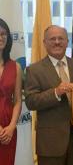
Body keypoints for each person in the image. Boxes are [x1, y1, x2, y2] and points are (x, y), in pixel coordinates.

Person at [24, 25, 73, 165]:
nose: (57, 42)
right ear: (44, 42)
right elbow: (31, 102)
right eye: (52, 39)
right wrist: (56, 92)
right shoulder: (33, 70)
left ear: (67, 42)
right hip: (50, 142)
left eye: (61, 38)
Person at [0, 18, 22, 165]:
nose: (0, 38)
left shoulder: (16, 67)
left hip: (8, 129)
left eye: (3, 34)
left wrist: (12, 126)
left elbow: (18, 100)